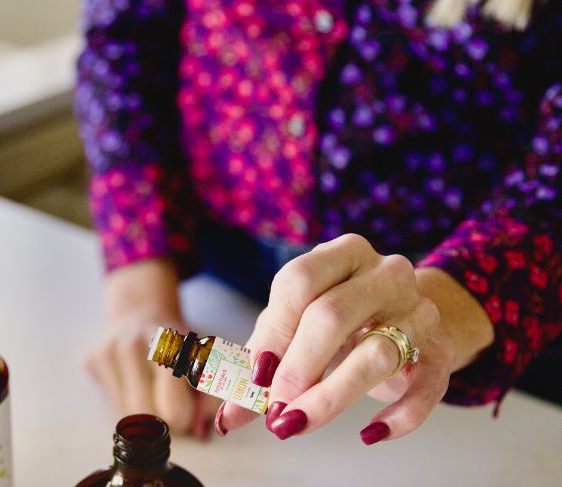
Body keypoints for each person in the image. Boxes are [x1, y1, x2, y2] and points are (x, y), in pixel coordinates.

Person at [75, 0, 561, 444]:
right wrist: (140, 296)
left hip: (455, 287)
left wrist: (440, 309)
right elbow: (125, 37)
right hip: (212, 265)